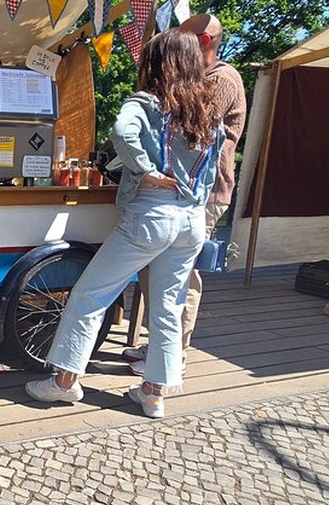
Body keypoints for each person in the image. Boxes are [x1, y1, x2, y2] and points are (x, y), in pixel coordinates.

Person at [24, 29, 224, 418]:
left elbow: (121, 132)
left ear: (157, 64)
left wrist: (147, 172)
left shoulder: (147, 104)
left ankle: (64, 382)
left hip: (152, 214)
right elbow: (212, 169)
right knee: (168, 305)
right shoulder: (205, 111)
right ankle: (153, 393)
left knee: (89, 294)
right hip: (191, 218)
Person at [124, 13, 247, 375]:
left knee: (180, 275)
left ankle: (174, 352)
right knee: (155, 270)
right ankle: (160, 344)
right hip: (180, 190)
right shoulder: (198, 79)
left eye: (182, 39)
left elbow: (190, 126)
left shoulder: (222, 79)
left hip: (204, 193)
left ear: (203, 42)